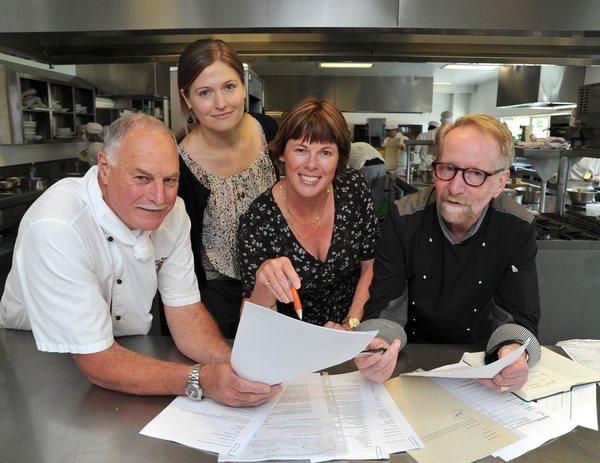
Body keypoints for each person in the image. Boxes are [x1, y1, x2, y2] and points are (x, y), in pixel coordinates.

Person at [0, 113, 280, 406]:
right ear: (105, 169)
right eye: (142, 178)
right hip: (35, 360)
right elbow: (98, 361)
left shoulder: (174, 214)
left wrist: (235, 365)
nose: (159, 197)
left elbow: (185, 314)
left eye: (170, 180)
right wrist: (203, 380)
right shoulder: (58, 226)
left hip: (123, 358)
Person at [363, 114, 542, 393]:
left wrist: (513, 352)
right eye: (447, 168)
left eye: (475, 174)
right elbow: (385, 308)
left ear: (500, 182)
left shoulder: (516, 227)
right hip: (408, 360)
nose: (455, 188)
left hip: (481, 367)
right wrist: (376, 346)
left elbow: (518, 316)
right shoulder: (404, 217)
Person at [238, 98, 403, 382]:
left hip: (354, 342)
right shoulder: (258, 220)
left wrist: (350, 327)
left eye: (325, 152)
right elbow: (254, 317)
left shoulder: (353, 189)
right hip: (291, 354)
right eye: (301, 150)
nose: (312, 165)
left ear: (339, 158)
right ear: (282, 155)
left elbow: (370, 265)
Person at [176, 38, 279, 338]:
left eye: (229, 87)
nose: (220, 103)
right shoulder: (178, 163)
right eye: (205, 93)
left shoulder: (270, 132)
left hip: (277, 286)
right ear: (187, 98)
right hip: (215, 297)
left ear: (244, 85)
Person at [348, 142, 387, 213]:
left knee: (363, 195)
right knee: (377, 196)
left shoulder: (346, 150)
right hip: (382, 166)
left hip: (367, 168)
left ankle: (363, 218)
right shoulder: (362, 144)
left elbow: (346, 169)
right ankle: (373, 218)